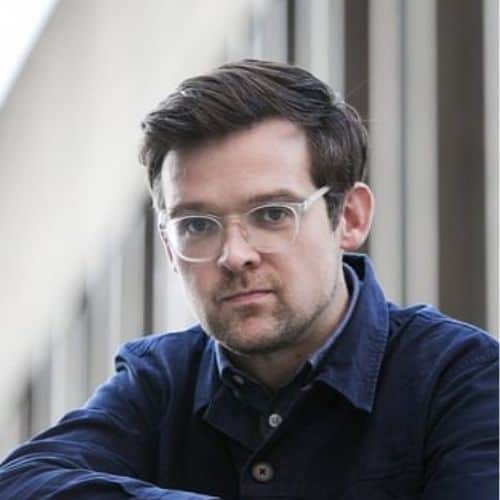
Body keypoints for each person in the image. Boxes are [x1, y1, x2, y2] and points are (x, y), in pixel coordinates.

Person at [0, 59, 497, 500]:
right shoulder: (161, 381)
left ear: (349, 217)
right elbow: (21, 482)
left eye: (273, 214)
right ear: (169, 246)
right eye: (197, 225)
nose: (234, 256)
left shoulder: (461, 378)